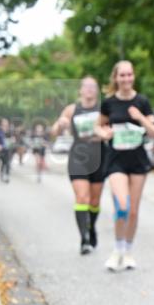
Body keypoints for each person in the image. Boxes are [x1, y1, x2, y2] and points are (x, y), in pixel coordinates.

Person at [96, 61, 154, 271]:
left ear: (133, 76)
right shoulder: (109, 103)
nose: (126, 79)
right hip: (116, 160)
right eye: (122, 75)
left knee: (133, 211)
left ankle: (128, 251)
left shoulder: (142, 101)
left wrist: (139, 117)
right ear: (116, 78)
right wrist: (104, 133)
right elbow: (99, 126)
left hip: (138, 160)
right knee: (122, 206)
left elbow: (153, 132)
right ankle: (117, 250)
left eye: (129, 75)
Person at [53, 76, 107, 254]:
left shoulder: (103, 109)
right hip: (78, 157)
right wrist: (60, 125)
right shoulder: (71, 109)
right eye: (87, 86)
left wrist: (105, 133)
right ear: (80, 90)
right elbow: (54, 131)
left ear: (97, 90)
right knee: (82, 197)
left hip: (99, 156)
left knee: (94, 201)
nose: (90, 89)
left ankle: (91, 228)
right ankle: (84, 238)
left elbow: (111, 130)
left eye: (94, 86)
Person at [0, 118, 16, 183]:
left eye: (6, 123)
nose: (5, 124)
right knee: (3, 163)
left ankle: (7, 176)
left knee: (8, 163)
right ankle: (2, 174)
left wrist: (12, 140)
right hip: (1, 149)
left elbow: (13, 139)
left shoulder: (10, 131)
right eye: (3, 122)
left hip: (8, 149)